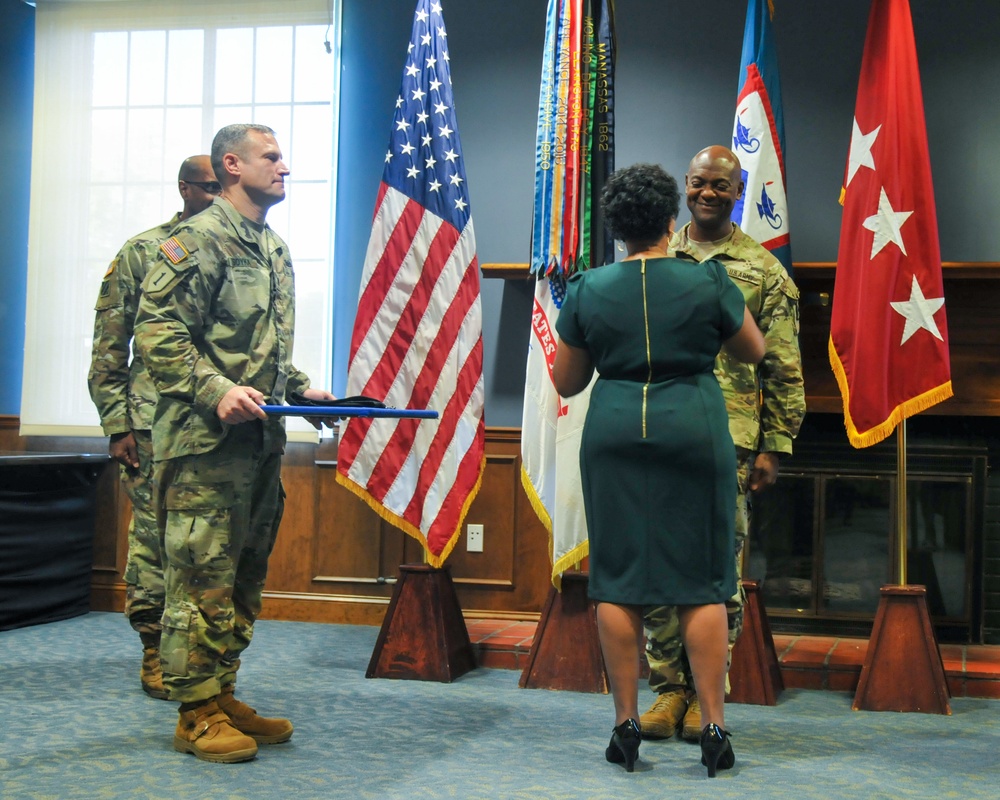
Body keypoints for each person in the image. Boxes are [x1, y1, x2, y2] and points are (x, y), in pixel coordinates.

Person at [552, 163, 765, 776]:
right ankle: (715, 727)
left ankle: (625, 724)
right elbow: (752, 350)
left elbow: (568, 381)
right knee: (703, 579)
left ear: (617, 228)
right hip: (692, 427)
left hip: (616, 430)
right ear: (671, 221)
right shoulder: (710, 280)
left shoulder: (588, 287)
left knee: (619, 579)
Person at [134, 124, 336, 764]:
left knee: (242, 577)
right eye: (271, 157)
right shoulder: (194, 241)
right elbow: (158, 334)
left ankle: (220, 692)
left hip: (258, 447)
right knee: (200, 575)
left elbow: (258, 352)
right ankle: (193, 713)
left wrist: (300, 392)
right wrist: (211, 387)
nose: (285, 167)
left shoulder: (271, 247)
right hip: (202, 447)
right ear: (231, 165)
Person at [639, 145, 805, 742]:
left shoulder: (762, 269)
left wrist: (774, 444)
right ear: (686, 185)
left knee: (715, 571)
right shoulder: (653, 258)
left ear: (739, 193)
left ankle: (706, 694)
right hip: (654, 433)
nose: (709, 193)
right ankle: (667, 692)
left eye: (722, 186)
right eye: (700, 183)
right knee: (656, 562)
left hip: (727, 440)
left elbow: (783, 364)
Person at [87, 155, 221, 700]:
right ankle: (153, 648)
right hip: (152, 423)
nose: (216, 196)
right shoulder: (145, 251)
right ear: (185, 188)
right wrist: (116, 422)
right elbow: (110, 343)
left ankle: (203, 657)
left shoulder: (240, 248)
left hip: (219, 422)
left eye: (222, 187)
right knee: (153, 539)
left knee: (208, 546)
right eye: (207, 187)